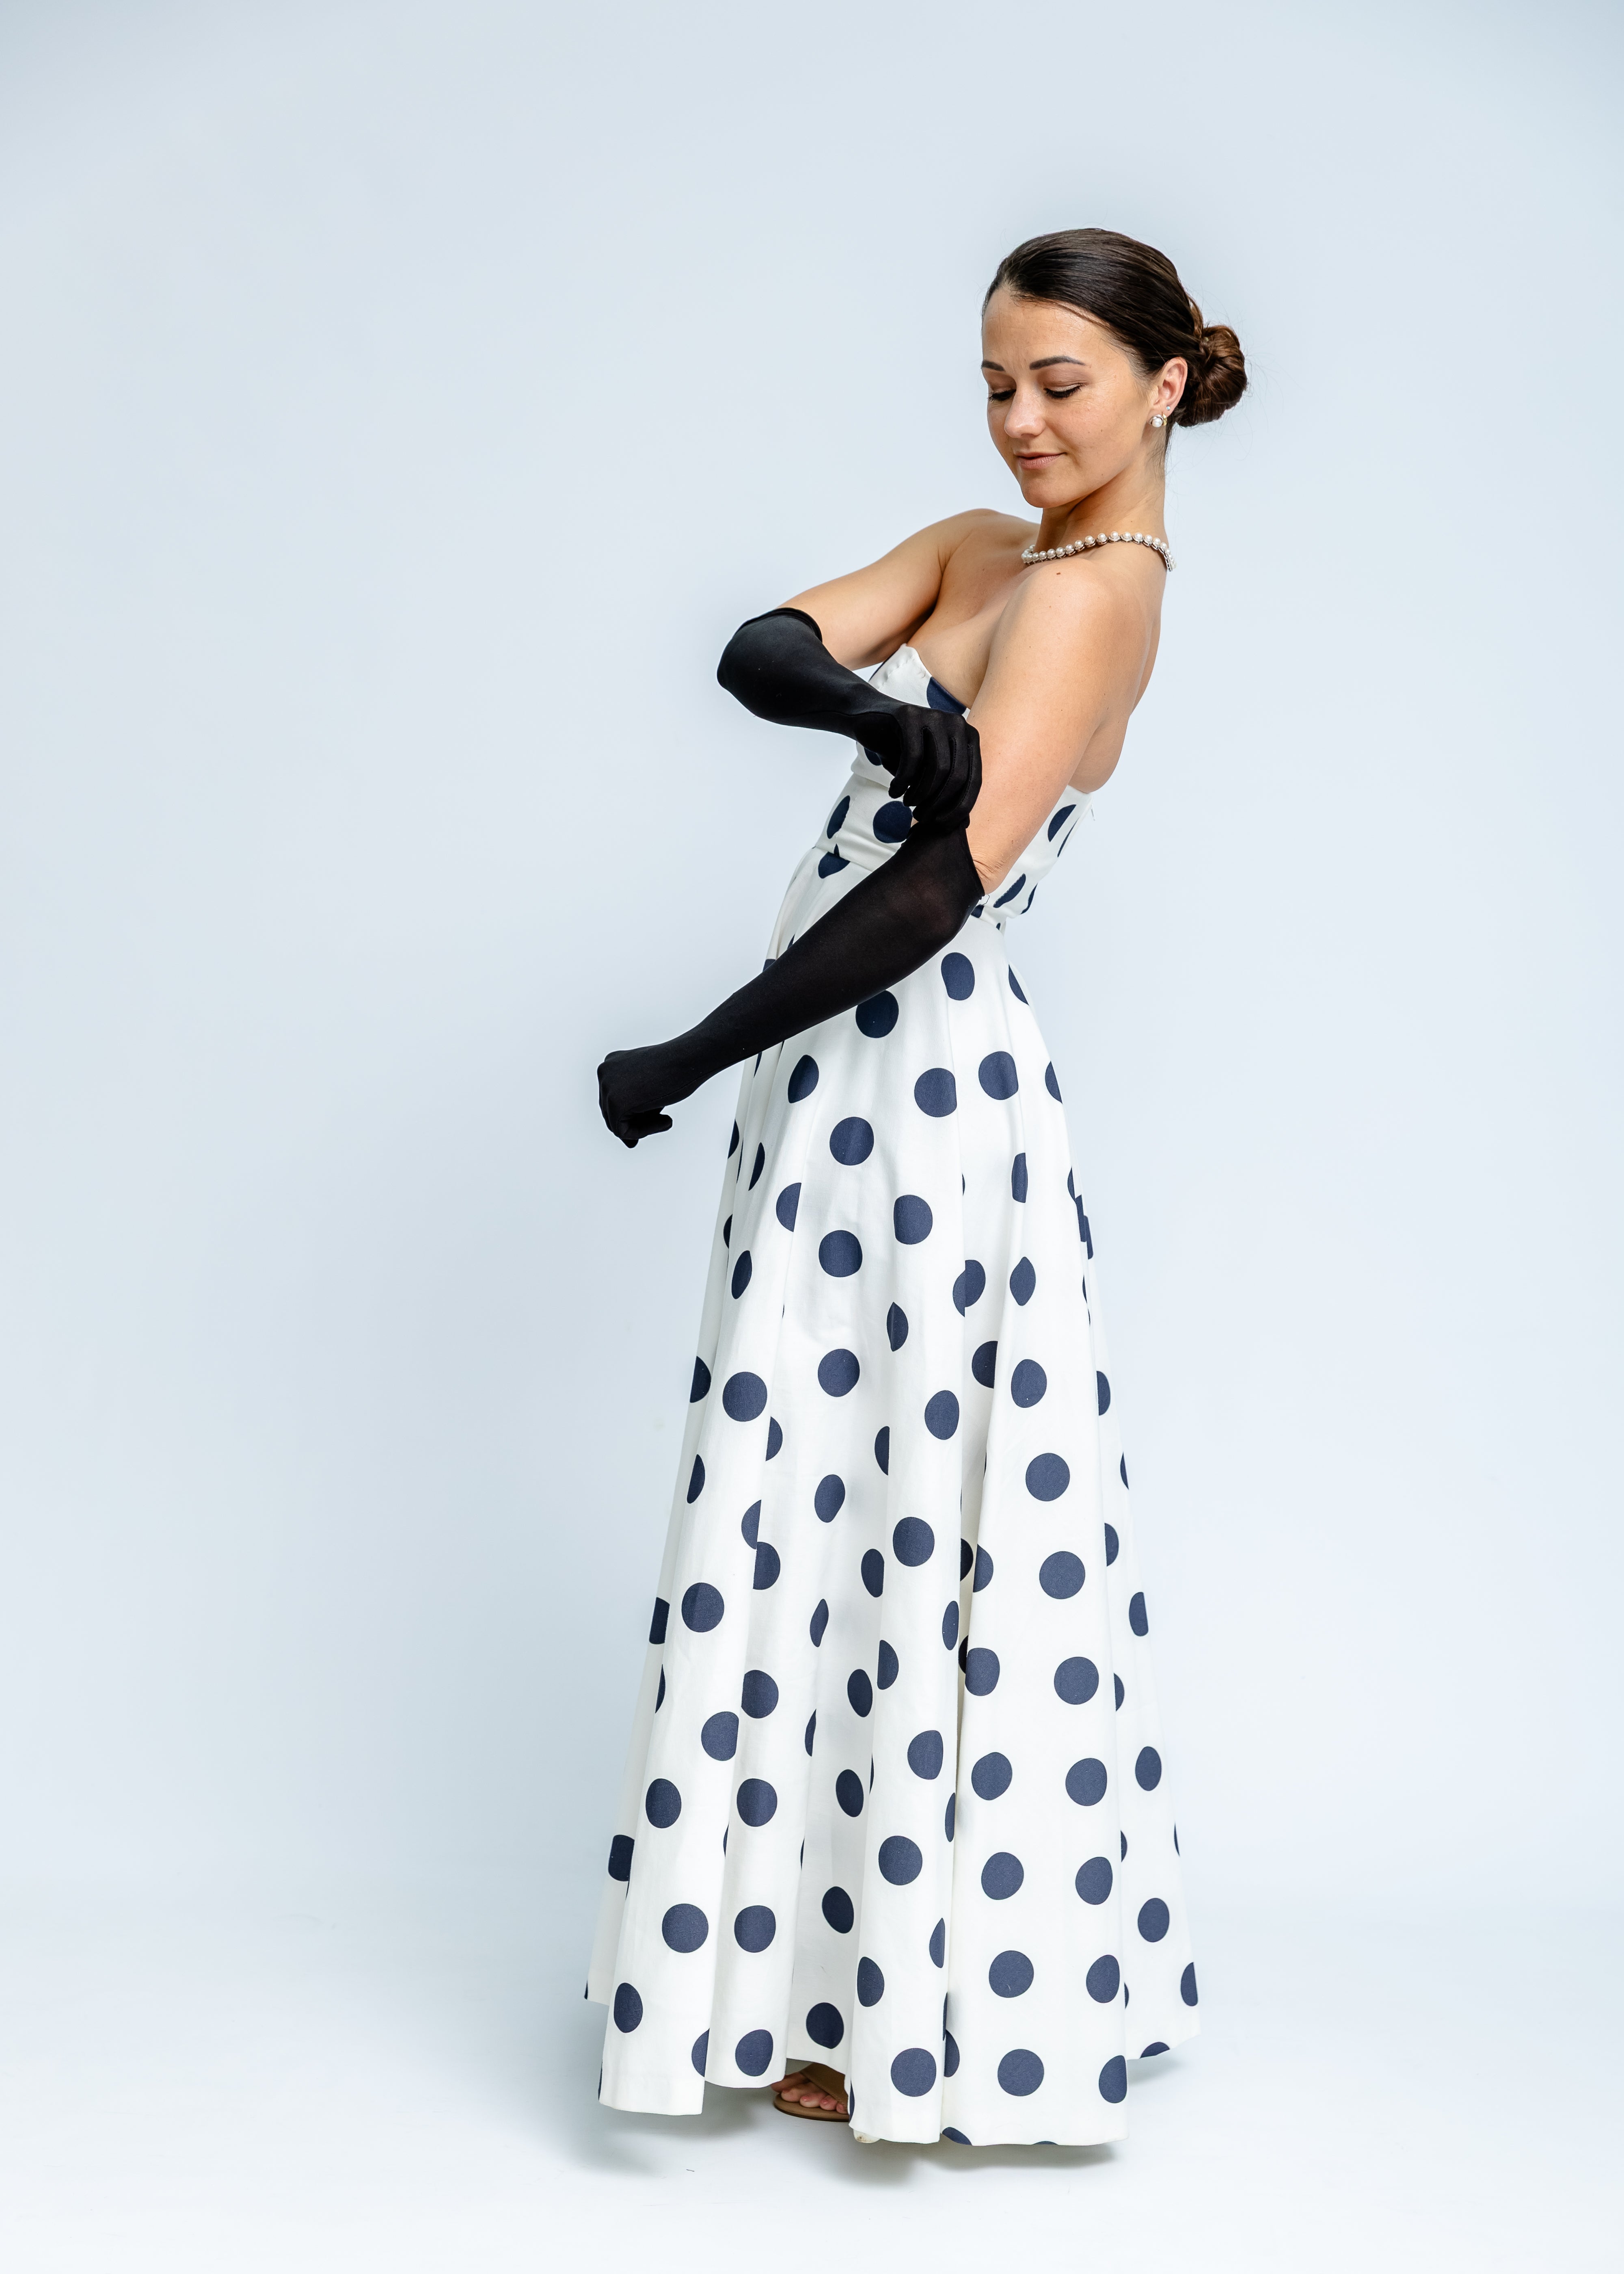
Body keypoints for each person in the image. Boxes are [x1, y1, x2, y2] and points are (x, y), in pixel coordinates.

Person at [586, 227, 1245, 2147]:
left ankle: (927, 2009)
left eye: (1060, 382)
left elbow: (938, 888)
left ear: (1164, 385)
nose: (1022, 419)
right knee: (822, 1501)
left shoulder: (1106, 594)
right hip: (836, 1105)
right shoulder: (981, 546)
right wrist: (872, 711)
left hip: (925, 1111)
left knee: (901, 1520)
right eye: (995, 379)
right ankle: (822, 1984)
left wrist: (694, 1048)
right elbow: (761, 641)